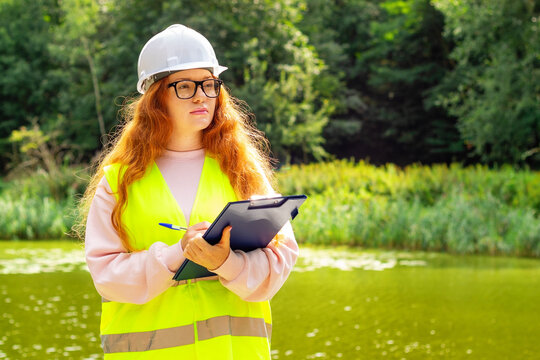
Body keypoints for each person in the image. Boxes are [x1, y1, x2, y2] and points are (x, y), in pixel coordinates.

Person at [80, 24, 298, 359]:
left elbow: (280, 261)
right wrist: (176, 255)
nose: (201, 95)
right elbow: (106, 277)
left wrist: (226, 262)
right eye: (184, 86)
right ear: (156, 98)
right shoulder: (119, 180)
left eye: (209, 85)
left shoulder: (242, 170)